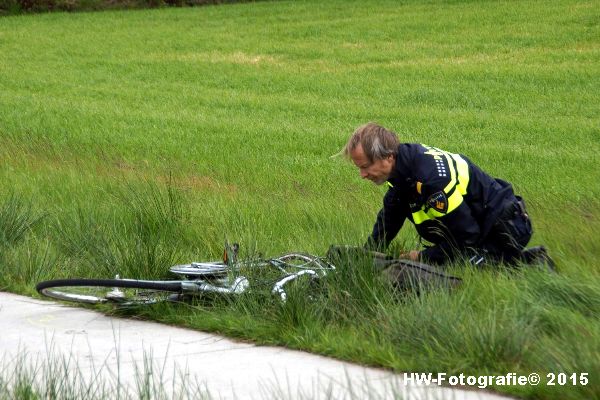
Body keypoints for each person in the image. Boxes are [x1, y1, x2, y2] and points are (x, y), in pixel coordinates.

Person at [343, 122, 551, 267]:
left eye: (365, 167)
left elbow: (466, 237)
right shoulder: (402, 173)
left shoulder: (431, 180)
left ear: (387, 157)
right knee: (443, 265)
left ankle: (533, 263)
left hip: (504, 230)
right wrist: (366, 257)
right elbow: (389, 220)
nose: (362, 175)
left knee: (461, 272)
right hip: (479, 229)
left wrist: (422, 257)